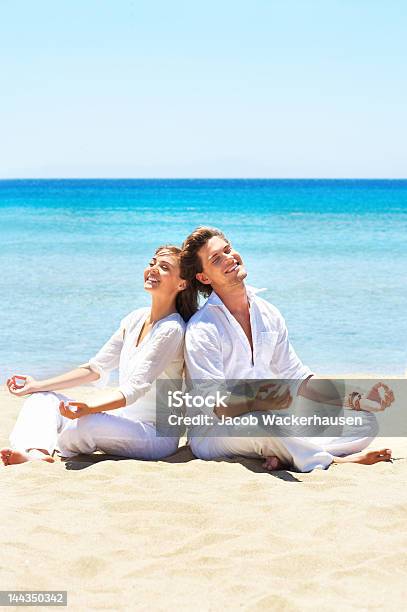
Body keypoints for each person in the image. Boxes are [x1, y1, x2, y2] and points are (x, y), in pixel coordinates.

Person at [180, 227, 394, 472]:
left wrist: (356, 398)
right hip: (215, 431)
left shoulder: (268, 312)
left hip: (271, 418)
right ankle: (330, 459)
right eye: (216, 259)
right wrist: (258, 402)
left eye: (228, 250)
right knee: (263, 423)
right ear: (204, 278)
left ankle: (285, 450)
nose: (229, 257)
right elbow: (216, 405)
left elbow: (298, 378)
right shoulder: (202, 328)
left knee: (365, 422)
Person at [1, 245, 197, 467]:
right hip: (124, 420)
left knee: (86, 424)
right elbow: (95, 368)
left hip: (154, 435)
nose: (153, 269)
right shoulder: (135, 318)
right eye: (152, 263)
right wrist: (36, 385)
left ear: (182, 283)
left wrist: (90, 408)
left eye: (163, 267)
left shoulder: (172, 329)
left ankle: (52, 442)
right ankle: (37, 452)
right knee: (42, 399)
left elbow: (135, 388)